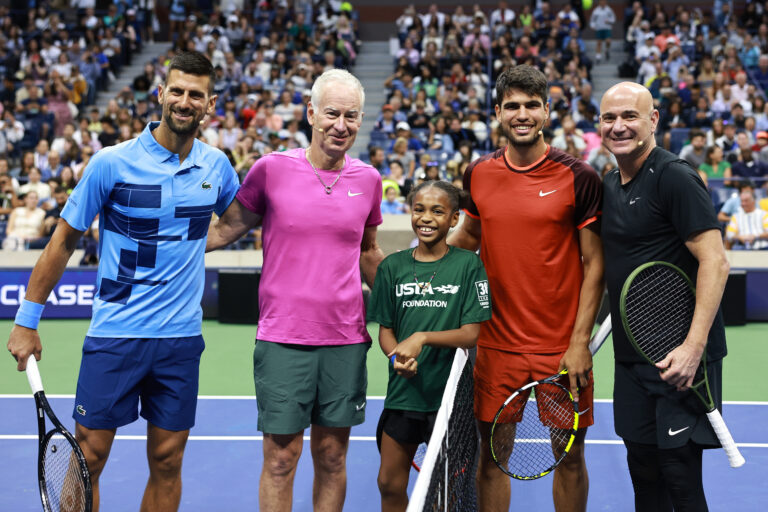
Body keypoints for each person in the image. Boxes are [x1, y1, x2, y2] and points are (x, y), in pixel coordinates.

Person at [6, 51, 240, 512]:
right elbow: (61, 242)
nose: (185, 101)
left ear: (209, 103)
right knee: (88, 456)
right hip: (115, 335)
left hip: (180, 340)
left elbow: (236, 219)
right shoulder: (111, 163)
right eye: (177, 90)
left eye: (196, 94)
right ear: (160, 95)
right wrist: (26, 320)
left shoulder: (217, 166)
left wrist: (191, 244)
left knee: (168, 460)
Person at [205, 68, 385, 512]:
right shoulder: (271, 170)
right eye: (331, 114)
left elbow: (369, 253)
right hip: (283, 339)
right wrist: (157, 236)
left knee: (332, 456)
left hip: (345, 340)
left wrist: (411, 309)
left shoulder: (369, 181)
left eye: (351, 116)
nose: (340, 125)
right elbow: (226, 229)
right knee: (282, 459)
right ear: (310, 113)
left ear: (360, 121)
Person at [448, 65, 604, 512]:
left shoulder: (580, 178)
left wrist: (579, 344)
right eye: (512, 105)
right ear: (498, 112)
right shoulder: (477, 174)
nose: (522, 114)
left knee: (569, 458)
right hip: (496, 345)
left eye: (532, 105)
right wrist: (415, 270)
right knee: (493, 459)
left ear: (547, 111)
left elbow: (595, 265)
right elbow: (467, 241)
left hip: (560, 349)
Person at [599, 82, 730, 511]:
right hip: (633, 358)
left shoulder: (675, 175)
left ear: (653, 120)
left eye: (629, 116)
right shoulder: (609, 183)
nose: (618, 126)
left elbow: (715, 261)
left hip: (682, 361)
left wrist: (693, 349)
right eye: (609, 118)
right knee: (643, 471)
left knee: (680, 475)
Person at [369, 180, 491, 511]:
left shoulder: (468, 265)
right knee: (388, 483)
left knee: (448, 489)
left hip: (451, 399)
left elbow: (471, 333)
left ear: (454, 219)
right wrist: (397, 356)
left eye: (438, 211)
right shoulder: (392, 267)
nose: (426, 218)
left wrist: (422, 338)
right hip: (404, 393)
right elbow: (386, 331)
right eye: (419, 209)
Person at [724, 181, 768, 250]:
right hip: (742, 247)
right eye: (742, 201)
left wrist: (755, 236)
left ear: (753, 201)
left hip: (763, 247)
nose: (743, 204)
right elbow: (729, 234)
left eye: (746, 201)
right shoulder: (736, 216)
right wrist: (740, 237)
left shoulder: (763, 214)